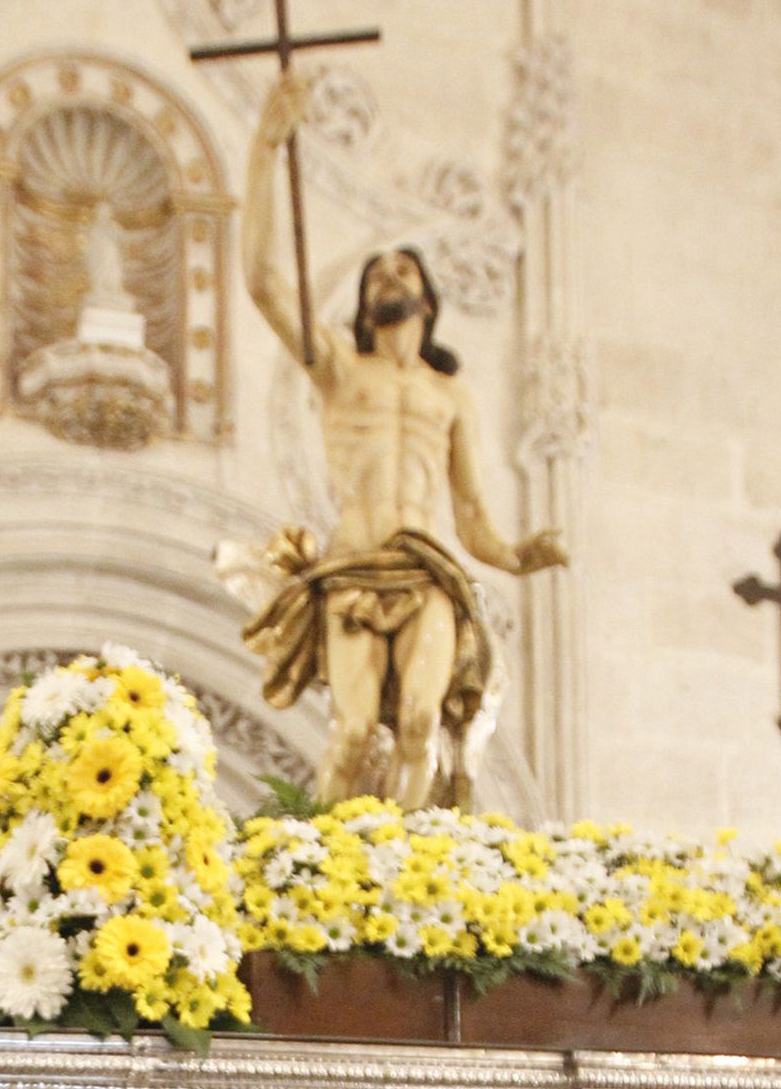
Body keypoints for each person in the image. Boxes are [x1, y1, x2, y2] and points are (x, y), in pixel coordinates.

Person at [239, 67, 566, 808]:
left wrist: (520, 555)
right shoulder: (339, 371)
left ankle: (406, 873)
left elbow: (474, 515)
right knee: (353, 733)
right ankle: (323, 870)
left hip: (428, 573)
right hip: (354, 567)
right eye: (377, 271)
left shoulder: (450, 395)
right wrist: (265, 146)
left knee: (422, 724)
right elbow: (262, 279)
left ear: (426, 300)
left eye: (402, 266)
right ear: (365, 304)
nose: (388, 274)